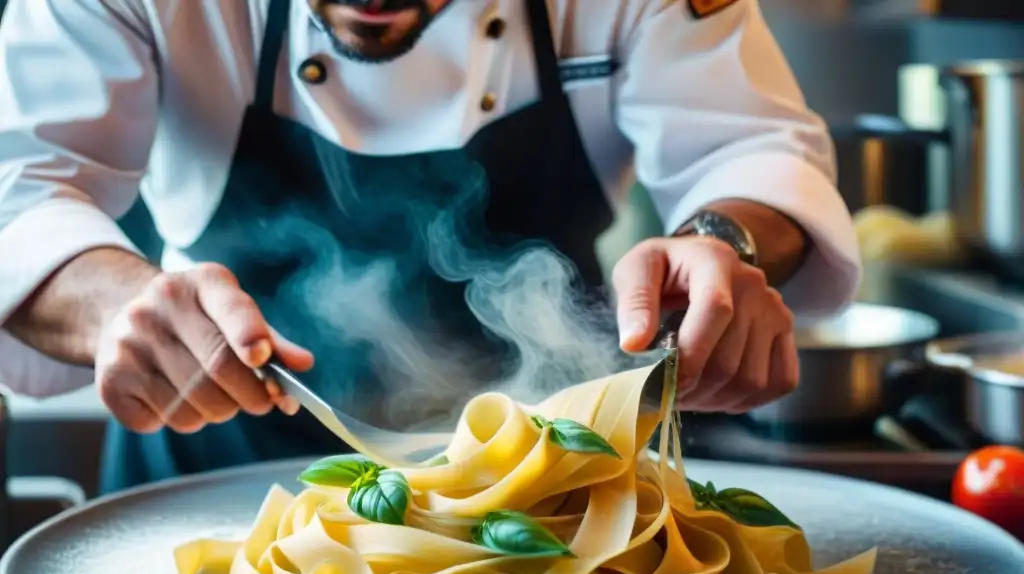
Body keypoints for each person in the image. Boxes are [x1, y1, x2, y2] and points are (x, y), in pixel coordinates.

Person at [0, 0, 860, 493]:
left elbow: (750, 149)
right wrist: (116, 307)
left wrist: (723, 241)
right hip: (203, 476)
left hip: (551, 491)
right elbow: (22, 188)